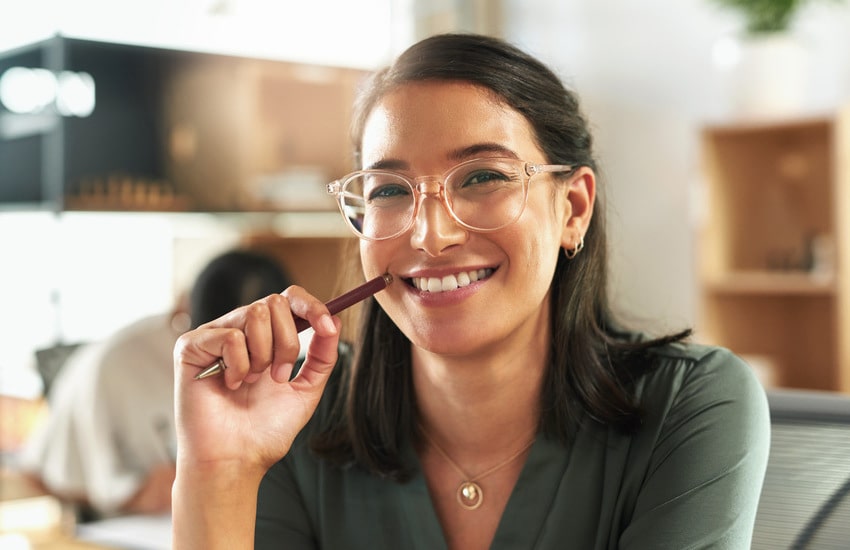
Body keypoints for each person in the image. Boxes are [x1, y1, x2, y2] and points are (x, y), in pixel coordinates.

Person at [172, 34, 770, 549]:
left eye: (484, 177)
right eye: (388, 190)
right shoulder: (290, 418)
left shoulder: (691, 407)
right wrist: (218, 470)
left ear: (574, 209)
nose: (430, 236)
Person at [20, 249, 293, 519]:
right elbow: (63, 476)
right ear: (183, 309)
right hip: (102, 516)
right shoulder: (119, 363)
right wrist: (141, 492)